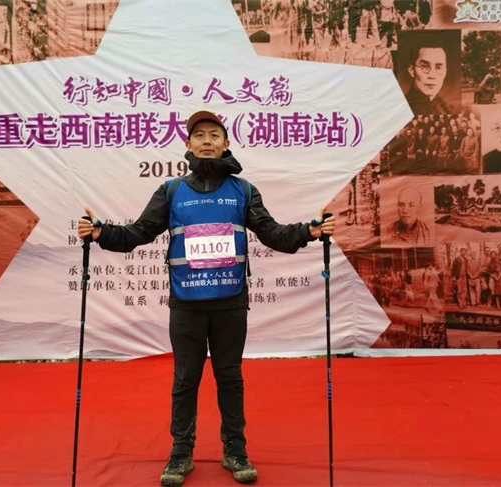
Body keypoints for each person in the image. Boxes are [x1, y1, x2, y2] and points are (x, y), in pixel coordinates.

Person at [77, 110, 336, 487]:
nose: (207, 141)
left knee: (230, 377)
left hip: (231, 301)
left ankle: (235, 449)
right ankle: (182, 451)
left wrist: (308, 231)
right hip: (187, 303)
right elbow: (139, 233)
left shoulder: (244, 190)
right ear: (188, 144)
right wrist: (102, 234)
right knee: (186, 379)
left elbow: (272, 233)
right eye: (199, 135)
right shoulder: (171, 191)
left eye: (214, 134)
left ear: (226, 143)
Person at [404, 42, 455, 116]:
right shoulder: (401, 107)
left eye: (438, 67)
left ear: (445, 72)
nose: (432, 75)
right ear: (411, 70)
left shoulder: (450, 110)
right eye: (424, 66)